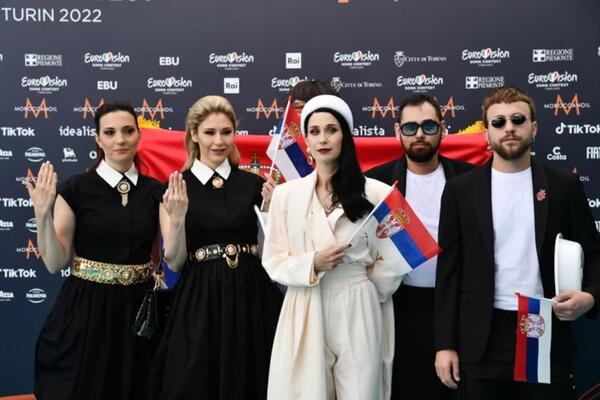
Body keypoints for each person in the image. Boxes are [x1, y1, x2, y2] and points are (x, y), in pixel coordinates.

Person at [434, 86, 600, 399]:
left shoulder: (564, 186)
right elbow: (448, 271)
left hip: (542, 327)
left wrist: (590, 297)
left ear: (533, 128)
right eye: (498, 122)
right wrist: (444, 344)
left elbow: (594, 254)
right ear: (486, 134)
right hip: (481, 336)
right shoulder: (460, 191)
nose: (508, 128)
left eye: (518, 119)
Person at [263, 94, 406, 400]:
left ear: (345, 135)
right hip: (304, 303)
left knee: (361, 391)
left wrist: (367, 289)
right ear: (306, 139)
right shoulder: (285, 196)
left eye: (331, 129)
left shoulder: (378, 193)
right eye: (314, 131)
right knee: (305, 391)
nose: (323, 139)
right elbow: (273, 260)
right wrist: (311, 263)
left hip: (358, 303)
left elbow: (397, 258)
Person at [25, 101, 162, 400]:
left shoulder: (156, 191)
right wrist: (42, 215)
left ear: (139, 136)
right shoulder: (76, 189)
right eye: (110, 133)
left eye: (128, 131)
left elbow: (164, 257)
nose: (120, 139)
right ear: (98, 139)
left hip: (138, 311)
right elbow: (55, 262)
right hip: (86, 310)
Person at [150, 95, 283, 400]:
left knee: (256, 375)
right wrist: (178, 218)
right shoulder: (175, 187)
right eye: (210, 132)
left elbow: (270, 254)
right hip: (201, 299)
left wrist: (270, 211)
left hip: (253, 294)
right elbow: (175, 261)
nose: (219, 141)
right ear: (194, 135)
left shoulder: (254, 185)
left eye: (226, 132)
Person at [366, 94, 473, 400]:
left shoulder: (470, 178)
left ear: (443, 128)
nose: (420, 134)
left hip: (456, 306)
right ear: (397, 131)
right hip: (400, 307)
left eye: (429, 126)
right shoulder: (376, 182)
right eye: (410, 127)